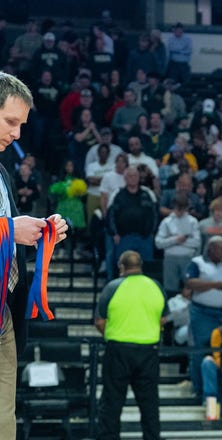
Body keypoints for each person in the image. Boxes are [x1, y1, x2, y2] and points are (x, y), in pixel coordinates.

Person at [0, 72, 68, 440]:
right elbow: (4, 229)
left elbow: (6, 232)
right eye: (11, 121)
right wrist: (10, 229)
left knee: (3, 423)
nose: (17, 134)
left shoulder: (1, 172)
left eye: (22, 124)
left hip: (3, 314)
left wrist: (40, 233)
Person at [95, 250, 168, 440]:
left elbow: (100, 322)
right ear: (140, 265)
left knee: (112, 402)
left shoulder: (112, 287)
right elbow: (163, 319)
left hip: (118, 350)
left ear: (121, 266)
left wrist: (111, 335)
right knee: (150, 404)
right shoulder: (156, 286)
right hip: (148, 351)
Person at [185, 236, 222, 400]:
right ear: (210, 249)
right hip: (203, 313)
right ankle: (199, 391)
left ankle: (219, 392)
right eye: (221, 249)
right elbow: (190, 283)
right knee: (202, 349)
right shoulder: (197, 263)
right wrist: (216, 285)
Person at [154, 192, 201, 295]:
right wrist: (175, 240)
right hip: (170, 258)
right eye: (178, 208)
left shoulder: (193, 221)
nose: (180, 212)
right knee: (170, 288)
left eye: (183, 209)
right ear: (174, 207)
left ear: (187, 208)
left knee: (190, 287)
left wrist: (180, 241)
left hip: (188, 258)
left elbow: (197, 242)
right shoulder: (166, 222)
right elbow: (158, 243)